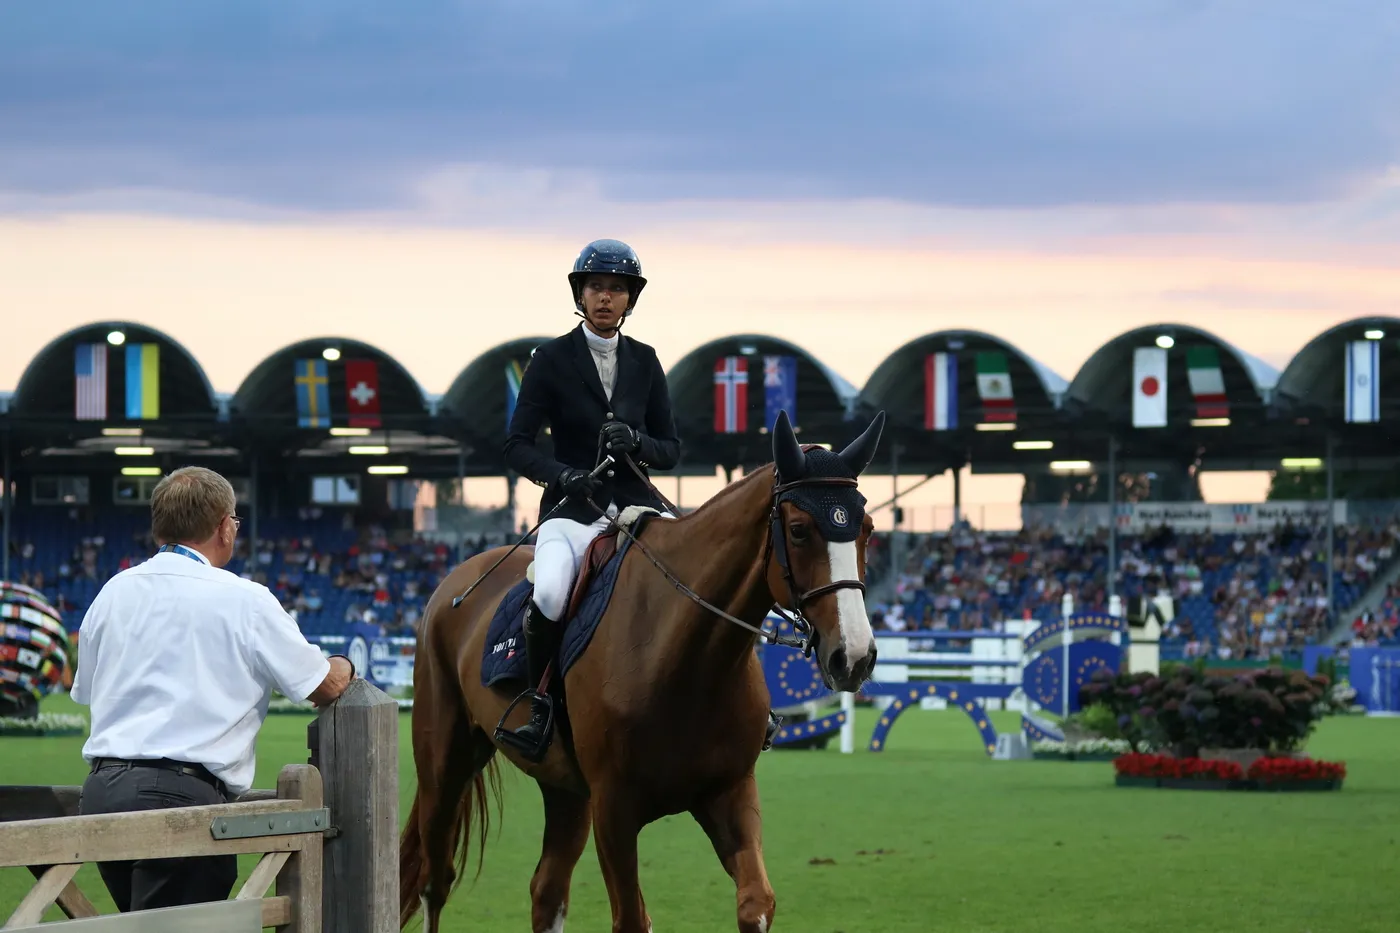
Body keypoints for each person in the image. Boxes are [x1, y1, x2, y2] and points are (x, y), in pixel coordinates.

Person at [499, 238, 782, 762]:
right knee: (553, 592)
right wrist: (564, 476)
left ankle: (746, 704)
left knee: (704, 582)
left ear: (630, 299)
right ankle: (539, 704)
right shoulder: (551, 359)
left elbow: (670, 449)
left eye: (617, 289)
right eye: (596, 287)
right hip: (573, 512)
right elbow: (516, 445)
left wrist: (635, 441)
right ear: (580, 294)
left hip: (637, 508)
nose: (605, 297)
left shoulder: (646, 361)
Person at [71, 466, 355, 913]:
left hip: (102, 792)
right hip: (180, 797)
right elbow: (323, 686)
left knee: (141, 925)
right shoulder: (245, 598)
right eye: (235, 522)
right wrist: (345, 664)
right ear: (224, 527)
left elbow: (86, 691)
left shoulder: (111, 591)